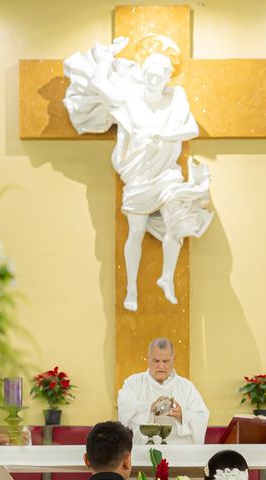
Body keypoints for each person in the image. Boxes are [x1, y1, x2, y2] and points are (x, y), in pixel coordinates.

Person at [63, 35, 213, 312]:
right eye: (151, 73)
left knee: (176, 222)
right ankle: (131, 288)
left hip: (167, 175)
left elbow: (191, 129)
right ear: (144, 74)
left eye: (162, 73)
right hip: (138, 177)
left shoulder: (176, 98)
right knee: (136, 231)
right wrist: (107, 54)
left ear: (169, 76)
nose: (156, 78)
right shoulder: (128, 99)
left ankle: (166, 278)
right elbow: (98, 83)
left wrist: (164, 134)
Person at [117, 337, 209, 444]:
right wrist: (150, 407)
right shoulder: (133, 383)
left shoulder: (186, 387)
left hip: (180, 452)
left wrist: (182, 415)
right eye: (156, 361)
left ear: (174, 359)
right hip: (143, 451)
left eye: (165, 361)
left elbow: (201, 417)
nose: (161, 366)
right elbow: (124, 410)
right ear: (148, 358)